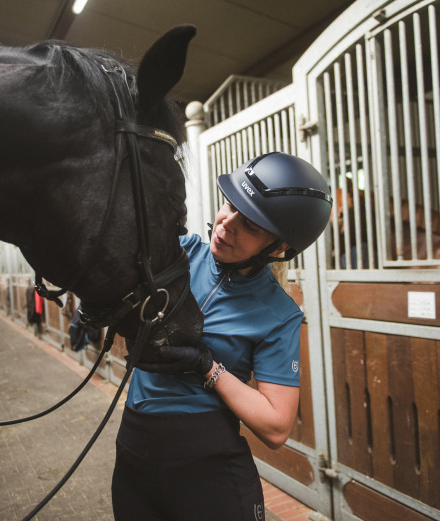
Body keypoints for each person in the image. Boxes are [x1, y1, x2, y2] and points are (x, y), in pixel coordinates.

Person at [111, 152, 332, 521]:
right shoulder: (178, 255)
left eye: (250, 225)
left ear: (277, 248)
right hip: (133, 449)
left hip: (206, 465)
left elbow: (277, 426)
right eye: (229, 204)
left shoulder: (279, 314)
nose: (226, 224)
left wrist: (207, 367)